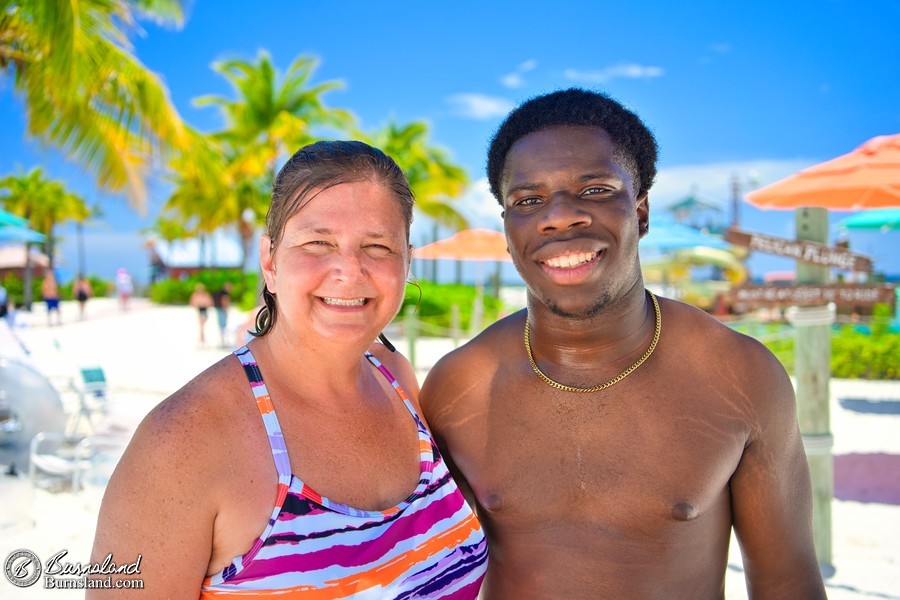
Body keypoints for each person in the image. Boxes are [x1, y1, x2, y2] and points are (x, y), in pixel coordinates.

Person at [420, 88, 826, 598]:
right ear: (507, 229)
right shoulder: (459, 385)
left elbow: (787, 581)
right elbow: (425, 570)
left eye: (594, 190)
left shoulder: (740, 375)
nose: (560, 216)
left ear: (641, 211)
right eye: (528, 200)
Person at [90, 140, 488, 597]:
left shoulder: (397, 376)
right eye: (318, 243)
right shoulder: (181, 440)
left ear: (406, 261)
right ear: (270, 262)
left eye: (377, 246)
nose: (349, 270)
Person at [189, 282, 214, 348]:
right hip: (200, 311)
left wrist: (204, 304)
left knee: (202, 327)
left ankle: (202, 340)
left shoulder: (205, 295)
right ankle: (202, 340)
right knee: (201, 327)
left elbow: (210, 303)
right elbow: (192, 303)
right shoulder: (196, 295)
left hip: (204, 311)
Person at [212, 281, 233, 348]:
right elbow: (224, 301)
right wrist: (226, 310)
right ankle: (223, 342)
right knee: (223, 326)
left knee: (221, 326)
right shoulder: (225, 293)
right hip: (222, 310)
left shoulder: (221, 292)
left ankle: (222, 342)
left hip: (219, 309)